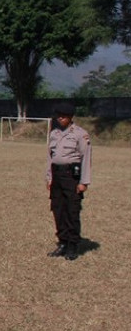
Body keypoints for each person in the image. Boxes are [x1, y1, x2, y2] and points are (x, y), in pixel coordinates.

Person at [46, 102, 91, 261]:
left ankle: (72, 244)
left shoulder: (80, 134)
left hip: (71, 176)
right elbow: (50, 157)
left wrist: (84, 181)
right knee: (58, 209)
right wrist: (49, 176)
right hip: (57, 175)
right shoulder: (54, 133)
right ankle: (63, 242)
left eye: (63, 117)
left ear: (70, 117)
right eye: (58, 116)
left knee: (72, 210)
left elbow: (86, 158)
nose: (60, 119)